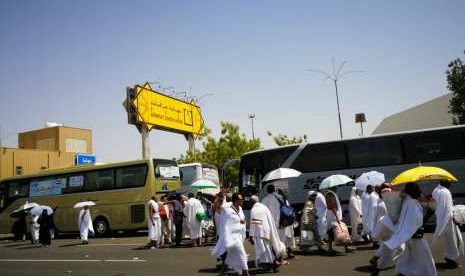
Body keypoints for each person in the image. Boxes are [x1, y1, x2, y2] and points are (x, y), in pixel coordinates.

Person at [384, 182, 436, 276]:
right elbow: (415, 221)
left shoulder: (409, 201)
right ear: (412, 191)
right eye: (417, 189)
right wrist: (429, 214)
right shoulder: (411, 203)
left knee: (409, 258)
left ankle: (403, 272)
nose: (419, 191)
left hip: (410, 236)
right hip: (415, 236)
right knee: (425, 259)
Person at [212, 193, 249, 276]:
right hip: (232, 238)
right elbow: (225, 222)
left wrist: (242, 221)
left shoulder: (240, 208)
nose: (242, 200)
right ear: (236, 200)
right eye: (241, 199)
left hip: (238, 236)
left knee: (229, 257)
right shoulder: (227, 210)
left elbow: (241, 219)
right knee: (242, 254)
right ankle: (246, 272)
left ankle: (221, 273)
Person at [432, 180, 464, 268]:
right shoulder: (445, 192)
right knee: (454, 240)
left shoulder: (436, 191)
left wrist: (450, 203)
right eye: (449, 182)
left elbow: (441, 206)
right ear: (445, 183)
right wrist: (453, 218)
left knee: (453, 240)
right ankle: (450, 259)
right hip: (448, 221)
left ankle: (450, 258)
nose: (450, 184)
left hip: (443, 220)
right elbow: (445, 209)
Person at [249, 195, 285, 273]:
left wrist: (251, 235)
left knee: (263, 250)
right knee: (268, 248)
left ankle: (272, 264)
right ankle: (270, 264)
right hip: (267, 230)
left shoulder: (254, 210)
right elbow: (269, 219)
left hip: (259, 232)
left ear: (251, 202)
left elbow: (254, 223)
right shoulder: (264, 207)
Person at [277, 189, 296, 259]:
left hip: (288, 222)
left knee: (289, 238)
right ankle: (283, 254)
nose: (284, 195)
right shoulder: (279, 202)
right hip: (283, 222)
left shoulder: (286, 201)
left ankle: (289, 252)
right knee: (284, 238)